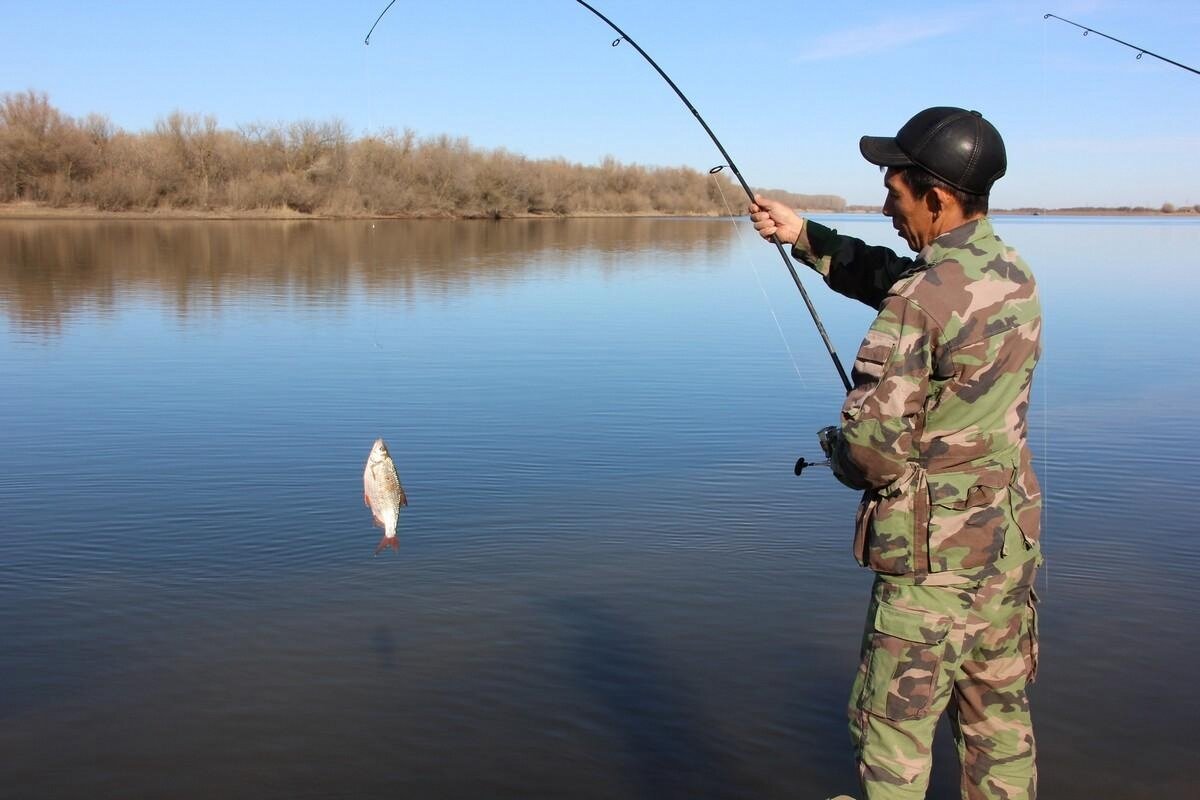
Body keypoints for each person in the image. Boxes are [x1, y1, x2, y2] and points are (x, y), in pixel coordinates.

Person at [749, 107, 1043, 800]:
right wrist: (806, 235)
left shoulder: (921, 300)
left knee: (893, 742)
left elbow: (872, 452)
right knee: (998, 730)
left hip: (928, 569)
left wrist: (837, 448)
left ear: (936, 196)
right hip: (1006, 552)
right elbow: (903, 278)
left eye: (895, 191)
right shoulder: (1012, 274)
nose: (886, 207)